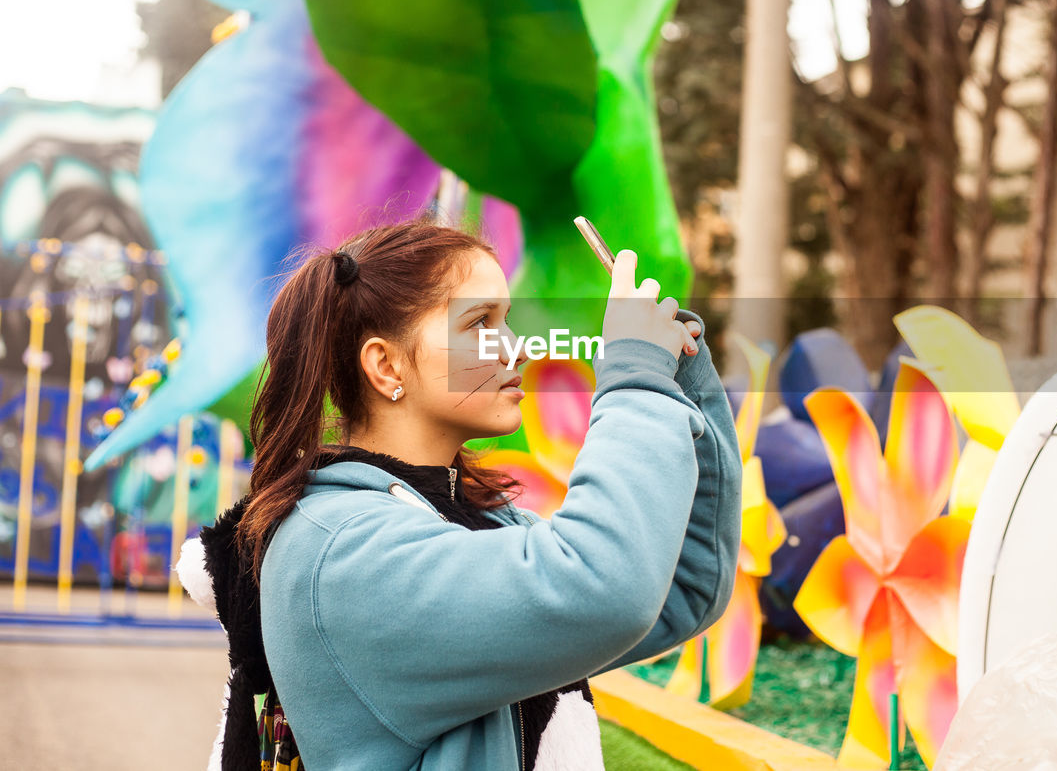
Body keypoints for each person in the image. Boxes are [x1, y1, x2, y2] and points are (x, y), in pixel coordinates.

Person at [177, 220, 743, 771]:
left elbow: (683, 586)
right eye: (480, 323)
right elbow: (602, 587)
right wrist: (635, 374)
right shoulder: (344, 550)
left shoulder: (477, 524)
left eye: (509, 321)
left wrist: (679, 378)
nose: (516, 350)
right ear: (386, 364)